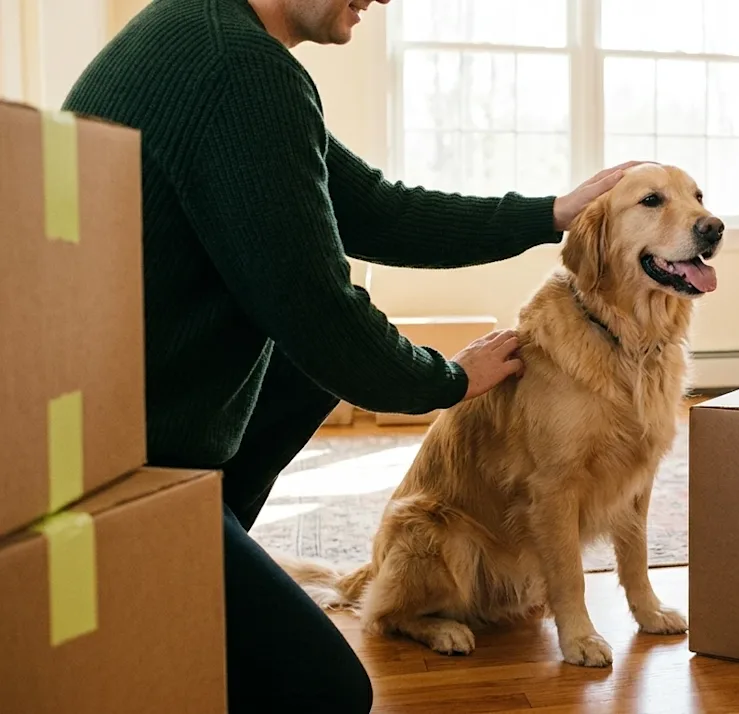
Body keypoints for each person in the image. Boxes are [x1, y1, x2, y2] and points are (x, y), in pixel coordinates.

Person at [61, 0, 636, 710]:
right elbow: (322, 313)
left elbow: (375, 210)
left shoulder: (199, 32)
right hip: (119, 470)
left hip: (109, 429)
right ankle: (175, 568)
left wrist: (546, 214)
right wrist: (451, 380)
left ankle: (208, 544)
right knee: (326, 692)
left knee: (301, 370)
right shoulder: (240, 69)